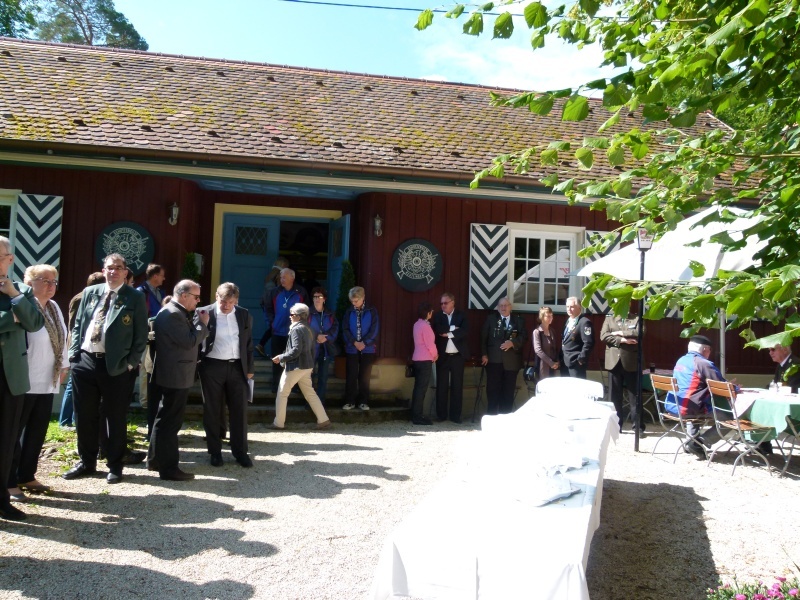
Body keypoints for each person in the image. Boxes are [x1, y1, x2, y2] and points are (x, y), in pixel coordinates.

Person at [64, 253, 148, 485]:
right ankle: (87, 462)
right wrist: (74, 354)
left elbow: (141, 334)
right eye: (109, 267)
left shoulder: (134, 297)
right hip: (85, 361)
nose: (113, 271)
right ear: (103, 271)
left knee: (114, 416)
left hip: (116, 365)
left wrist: (130, 362)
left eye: (118, 268)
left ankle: (115, 464)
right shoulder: (90, 292)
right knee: (85, 415)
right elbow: (79, 324)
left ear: (125, 272)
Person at [8, 265, 69, 502]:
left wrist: (64, 365)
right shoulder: (24, 305)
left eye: (54, 281)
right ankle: (9, 481)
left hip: (47, 379)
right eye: (45, 281)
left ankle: (26, 474)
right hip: (24, 379)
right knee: (14, 432)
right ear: (29, 283)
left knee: (37, 430)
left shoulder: (53, 307)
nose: (51, 286)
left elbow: (63, 337)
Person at [0, 237, 45, 521]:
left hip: (11, 377)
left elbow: (34, 322)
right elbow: (19, 321)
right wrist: (12, 319)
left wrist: (14, 297)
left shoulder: (23, 291)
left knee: (6, 440)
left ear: (10, 259)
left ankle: (1, 499)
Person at [148, 280, 209, 481]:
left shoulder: (173, 311)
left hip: (173, 372)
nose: (198, 301)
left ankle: (155, 460)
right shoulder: (173, 314)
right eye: (196, 297)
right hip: (175, 374)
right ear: (184, 295)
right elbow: (189, 341)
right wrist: (202, 324)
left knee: (163, 419)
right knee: (170, 423)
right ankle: (169, 468)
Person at [196, 283, 254, 468]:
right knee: (212, 410)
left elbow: (248, 343)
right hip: (212, 366)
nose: (226, 305)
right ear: (216, 296)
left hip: (237, 367)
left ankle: (240, 452)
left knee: (239, 411)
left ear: (236, 300)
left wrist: (249, 368)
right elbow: (195, 340)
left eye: (231, 302)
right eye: (223, 301)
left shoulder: (243, 314)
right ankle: (215, 452)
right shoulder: (203, 312)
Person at [667, 334, 734, 458]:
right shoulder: (703, 363)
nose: (710, 353)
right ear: (704, 349)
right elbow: (720, 385)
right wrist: (735, 388)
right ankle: (699, 442)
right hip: (689, 408)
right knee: (729, 418)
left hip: (674, 405)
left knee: (695, 400)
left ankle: (690, 443)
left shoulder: (681, 360)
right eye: (710, 350)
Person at [271, 303, 331, 430]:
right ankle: (323, 419)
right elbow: (312, 350)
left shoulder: (296, 329)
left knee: (282, 394)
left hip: (295, 367)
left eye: (292, 314)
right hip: (307, 366)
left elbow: (296, 350)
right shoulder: (309, 328)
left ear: (298, 316)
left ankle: (278, 423)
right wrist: (311, 365)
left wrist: (281, 357)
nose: (290, 316)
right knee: (310, 393)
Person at [59, 271, 105, 429]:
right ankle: (65, 420)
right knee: (72, 384)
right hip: (79, 344)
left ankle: (74, 418)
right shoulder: (81, 298)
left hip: (85, 344)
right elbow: (74, 324)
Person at [480, 297, 528, 415]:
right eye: (501, 305)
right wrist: (484, 354)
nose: (503, 308)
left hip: (511, 363)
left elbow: (524, 337)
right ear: (497, 308)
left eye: (506, 305)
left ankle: (505, 416)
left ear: (510, 307)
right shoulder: (491, 319)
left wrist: (512, 343)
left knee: (508, 392)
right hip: (494, 361)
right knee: (492, 390)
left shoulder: (518, 321)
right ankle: (491, 416)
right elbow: (483, 338)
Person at [265, 268, 308, 392]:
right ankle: (276, 386)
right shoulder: (275, 292)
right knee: (277, 360)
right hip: (277, 332)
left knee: (294, 360)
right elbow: (267, 308)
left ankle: (294, 387)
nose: (281, 279)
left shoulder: (301, 292)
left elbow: (307, 311)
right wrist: (271, 323)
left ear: (292, 278)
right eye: (281, 277)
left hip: (295, 333)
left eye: (284, 277)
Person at [601, 312, 644, 433]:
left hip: (631, 361)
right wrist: (622, 340)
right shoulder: (609, 318)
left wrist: (619, 332)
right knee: (615, 396)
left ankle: (638, 426)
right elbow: (603, 336)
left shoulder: (636, 318)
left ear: (629, 303)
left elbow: (639, 332)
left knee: (635, 396)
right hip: (614, 362)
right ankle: (616, 425)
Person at [431, 292, 468, 423]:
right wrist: (453, 328)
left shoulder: (461, 315)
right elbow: (439, 329)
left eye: (445, 303)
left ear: (452, 302)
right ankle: (441, 415)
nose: (443, 305)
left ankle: (455, 416)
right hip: (443, 356)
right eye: (441, 303)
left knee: (457, 386)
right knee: (441, 386)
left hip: (457, 356)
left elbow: (464, 331)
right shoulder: (438, 316)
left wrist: (448, 334)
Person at [342, 286, 379, 411]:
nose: (354, 303)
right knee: (351, 375)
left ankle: (363, 401)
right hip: (352, 348)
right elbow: (345, 329)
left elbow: (374, 329)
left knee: (365, 375)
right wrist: (354, 342)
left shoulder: (372, 311)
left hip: (367, 348)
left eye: (356, 301)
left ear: (363, 298)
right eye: (352, 301)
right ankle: (350, 401)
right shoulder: (349, 311)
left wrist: (365, 342)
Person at [308, 287, 339, 406]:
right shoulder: (307, 313)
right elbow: (304, 328)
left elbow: (335, 328)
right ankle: (310, 402)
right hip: (311, 349)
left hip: (325, 349)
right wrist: (316, 336)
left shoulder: (330, 314)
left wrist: (327, 337)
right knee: (308, 377)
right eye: (315, 297)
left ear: (324, 299)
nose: (317, 299)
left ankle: (320, 402)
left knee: (323, 376)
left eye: (319, 297)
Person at [256, 256, 289, 358]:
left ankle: (262, 345)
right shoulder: (279, 275)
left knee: (274, 326)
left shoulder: (270, 275)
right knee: (276, 327)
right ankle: (266, 346)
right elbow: (280, 290)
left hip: (266, 304)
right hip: (274, 305)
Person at [411, 301, 437, 425]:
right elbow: (430, 344)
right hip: (425, 359)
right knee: (421, 389)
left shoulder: (417, 324)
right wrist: (435, 355)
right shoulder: (425, 326)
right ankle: (417, 416)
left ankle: (415, 414)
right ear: (428, 313)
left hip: (417, 358)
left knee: (417, 388)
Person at [561, 296, 594, 379]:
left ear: (579, 308)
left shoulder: (584, 322)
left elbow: (589, 343)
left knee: (577, 386)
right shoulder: (568, 321)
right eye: (567, 307)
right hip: (565, 362)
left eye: (572, 307)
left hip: (576, 363)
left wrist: (580, 359)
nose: (569, 309)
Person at [532, 306, 560, 381]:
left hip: (553, 367)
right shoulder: (537, 332)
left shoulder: (552, 331)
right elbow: (538, 350)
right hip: (542, 367)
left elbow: (555, 348)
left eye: (551, 316)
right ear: (542, 317)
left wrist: (556, 362)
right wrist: (550, 363)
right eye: (548, 316)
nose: (551, 318)